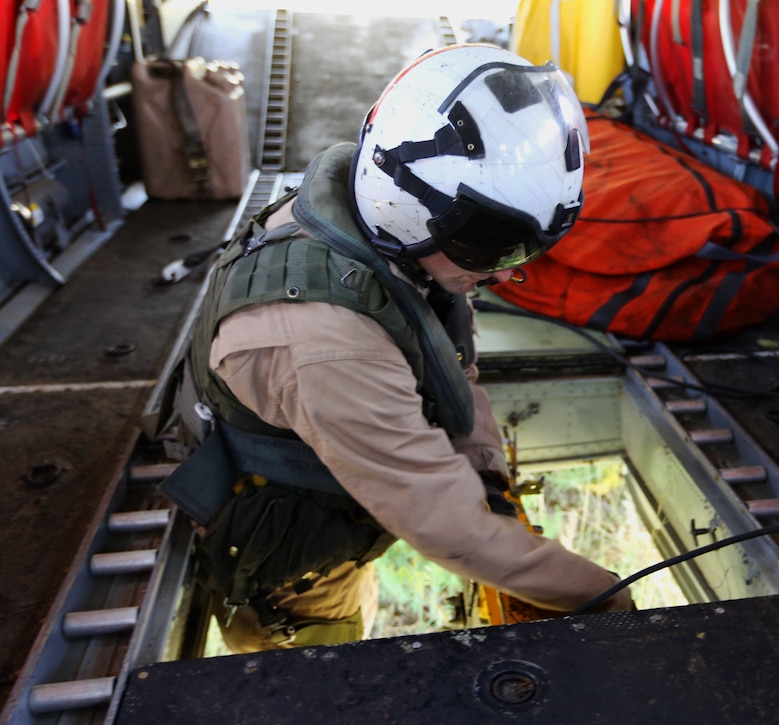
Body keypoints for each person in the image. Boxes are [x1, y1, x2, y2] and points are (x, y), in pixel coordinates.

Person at [160, 43, 632, 653]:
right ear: (409, 208)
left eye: (520, 251)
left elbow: (449, 370)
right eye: (492, 248)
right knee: (328, 672)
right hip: (293, 555)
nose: (500, 275)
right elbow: (449, 530)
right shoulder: (328, 344)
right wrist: (606, 596)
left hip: (339, 490)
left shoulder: (378, 231)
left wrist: (488, 477)